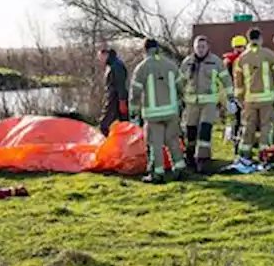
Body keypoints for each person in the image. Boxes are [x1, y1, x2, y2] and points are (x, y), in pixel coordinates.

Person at [129, 39, 187, 184]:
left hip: (153, 114)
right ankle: (179, 168)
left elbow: (135, 92)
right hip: (171, 111)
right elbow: (181, 86)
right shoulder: (171, 65)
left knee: (156, 144)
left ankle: (157, 173)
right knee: (173, 139)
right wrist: (181, 101)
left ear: (144, 50)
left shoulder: (142, 67)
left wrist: (133, 111)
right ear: (158, 49)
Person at [179, 35, 235, 172]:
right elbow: (180, 82)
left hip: (209, 103)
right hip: (191, 103)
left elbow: (226, 80)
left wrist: (230, 98)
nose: (201, 49)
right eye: (198, 47)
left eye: (203, 47)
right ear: (194, 48)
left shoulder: (216, 62)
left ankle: (203, 160)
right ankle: (190, 157)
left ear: (208, 47)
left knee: (205, 131)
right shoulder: (187, 62)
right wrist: (178, 99)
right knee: (190, 131)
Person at [233, 28, 274, 163]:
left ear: (248, 39)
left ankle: (245, 154)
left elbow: (238, 83)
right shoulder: (269, 54)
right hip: (267, 99)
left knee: (248, 126)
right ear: (260, 38)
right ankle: (264, 154)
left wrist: (240, 100)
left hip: (249, 100)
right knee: (266, 126)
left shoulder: (241, 58)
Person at [97, 45, 129, 135]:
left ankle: (106, 144)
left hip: (116, 99)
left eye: (100, 57)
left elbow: (121, 84)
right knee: (122, 123)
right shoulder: (111, 65)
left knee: (104, 125)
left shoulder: (116, 65)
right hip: (112, 97)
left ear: (106, 54)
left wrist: (122, 101)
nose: (100, 60)